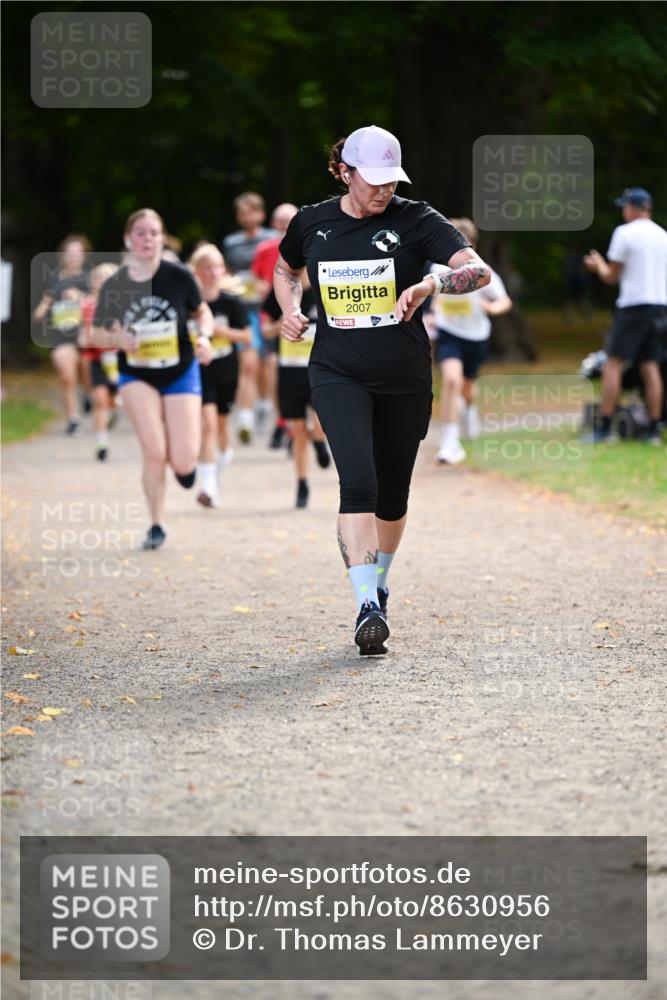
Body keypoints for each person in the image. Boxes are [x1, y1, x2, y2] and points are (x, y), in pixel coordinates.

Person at [274, 125, 490, 655]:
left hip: (403, 375)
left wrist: (431, 283)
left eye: (391, 181)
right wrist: (291, 309)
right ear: (344, 172)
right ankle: (366, 604)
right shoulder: (312, 222)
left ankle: (381, 582)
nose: (383, 191)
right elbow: (285, 269)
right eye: (373, 181)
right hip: (336, 369)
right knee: (360, 482)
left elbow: (478, 271)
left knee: (393, 496)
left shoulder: (417, 219)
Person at [92, 209, 214, 549]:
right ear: (128, 239)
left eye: (154, 233)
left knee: (183, 459)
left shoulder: (178, 275)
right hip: (136, 373)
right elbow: (96, 330)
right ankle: (156, 524)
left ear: (162, 239)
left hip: (179, 370)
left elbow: (201, 311)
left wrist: (204, 338)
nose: (147, 239)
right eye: (141, 233)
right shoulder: (116, 284)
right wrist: (117, 339)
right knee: (154, 451)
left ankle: (185, 467)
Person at [584, 188, 667, 445]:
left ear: (634, 207)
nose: (623, 211)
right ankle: (654, 429)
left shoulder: (624, 233)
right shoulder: (663, 235)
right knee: (650, 366)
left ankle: (605, 428)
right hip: (660, 307)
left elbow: (611, 276)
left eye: (625, 206)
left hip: (632, 306)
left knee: (613, 364)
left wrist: (598, 266)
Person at [427, 217, 512, 464]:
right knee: (451, 381)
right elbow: (439, 293)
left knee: (466, 388)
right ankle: (450, 444)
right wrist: (433, 313)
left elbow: (505, 301)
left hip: (476, 336)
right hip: (449, 333)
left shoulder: (484, 272)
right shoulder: (438, 269)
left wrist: (492, 308)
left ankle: (469, 411)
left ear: (471, 246)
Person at [188, 243, 251, 508]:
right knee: (207, 423)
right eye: (208, 267)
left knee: (222, 424)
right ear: (197, 271)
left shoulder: (231, 302)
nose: (213, 272)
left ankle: (223, 455)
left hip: (226, 368)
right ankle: (209, 488)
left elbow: (247, 337)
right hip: (199, 369)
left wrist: (218, 331)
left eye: (217, 267)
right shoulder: (189, 302)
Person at [262, 276, 331, 509]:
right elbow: (265, 331)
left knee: (322, 422)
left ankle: (320, 441)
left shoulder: (325, 288)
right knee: (299, 431)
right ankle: (302, 483)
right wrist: (282, 323)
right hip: (290, 373)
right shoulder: (281, 292)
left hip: (320, 370)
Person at [222, 192, 277, 443]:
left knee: (266, 367)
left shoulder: (271, 239)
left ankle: (265, 406)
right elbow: (227, 272)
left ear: (261, 214)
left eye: (251, 211)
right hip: (242, 309)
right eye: (242, 212)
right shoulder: (231, 242)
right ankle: (245, 418)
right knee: (248, 364)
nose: (247, 217)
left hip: (268, 308)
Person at [32, 233, 90, 433]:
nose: (73, 257)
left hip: (86, 337)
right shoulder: (53, 279)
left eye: (78, 253)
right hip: (62, 336)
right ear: (62, 255)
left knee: (87, 375)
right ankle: (73, 419)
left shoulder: (89, 278)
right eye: (70, 253)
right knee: (67, 377)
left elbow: (101, 305)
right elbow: (43, 306)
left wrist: (81, 298)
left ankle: (89, 394)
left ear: (84, 255)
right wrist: (43, 307)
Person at [252, 203, 299, 449]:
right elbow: (257, 282)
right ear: (273, 224)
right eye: (280, 221)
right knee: (275, 370)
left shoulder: (308, 246)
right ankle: (283, 422)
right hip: (273, 314)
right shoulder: (264, 249)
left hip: (305, 315)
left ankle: (302, 427)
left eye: (289, 221)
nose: (284, 226)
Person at [79, 262, 120, 461]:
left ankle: (114, 409)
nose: (104, 282)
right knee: (100, 400)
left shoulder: (122, 304)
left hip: (118, 359)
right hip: (96, 358)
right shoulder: (87, 305)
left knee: (114, 401)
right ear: (93, 283)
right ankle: (101, 442)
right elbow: (83, 334)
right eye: (99, 278)